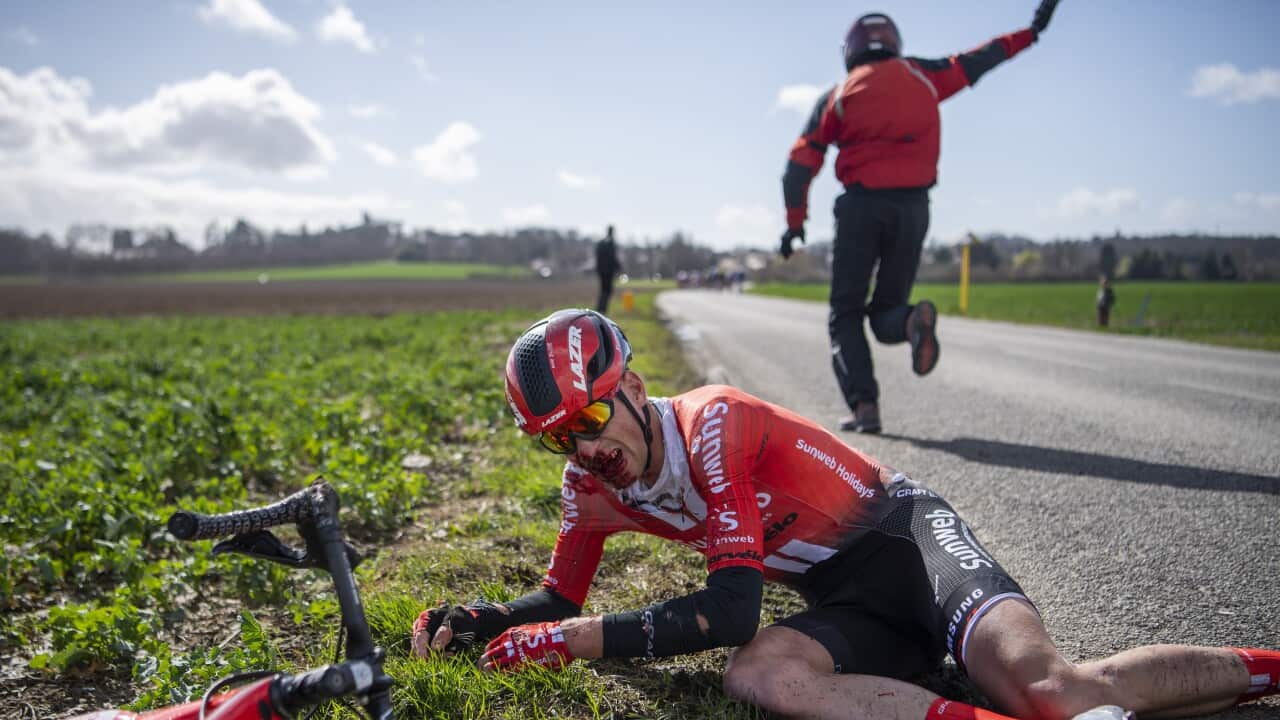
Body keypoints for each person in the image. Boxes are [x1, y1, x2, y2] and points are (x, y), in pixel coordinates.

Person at [412, 307, 1280, 720]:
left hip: (907, 543)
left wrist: (568, 641)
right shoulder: (592, 486)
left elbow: (728, 609)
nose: (586, 452)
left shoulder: (714, 423)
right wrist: (480, 620)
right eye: (560, 440)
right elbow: (558, 599)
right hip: (847, 598)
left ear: (634, 387)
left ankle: (1267, 666)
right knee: (757, 677)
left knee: (1052, 690)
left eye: (594, 419)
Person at [778, 1, 1062, 435]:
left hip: (860, 209)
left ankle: (865, 408)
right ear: (894, 42)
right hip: (914, 210)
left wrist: (795, 223)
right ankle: (912, 322)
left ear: (851, 49)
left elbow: (799, 166)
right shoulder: (925, 76)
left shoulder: (838, 95)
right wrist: (1032, 32)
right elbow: (980, 59)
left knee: (846, 313)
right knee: (887, 310)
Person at [595, 225, 622, 314]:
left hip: (601, 270)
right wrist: (619, 267)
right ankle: (602, 309)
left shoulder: (601, 243)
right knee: (607, 290)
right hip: (608, 271)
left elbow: (598, 257)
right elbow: (612, 257)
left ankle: (600, 308)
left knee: (603, 290)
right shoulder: (610, 243)